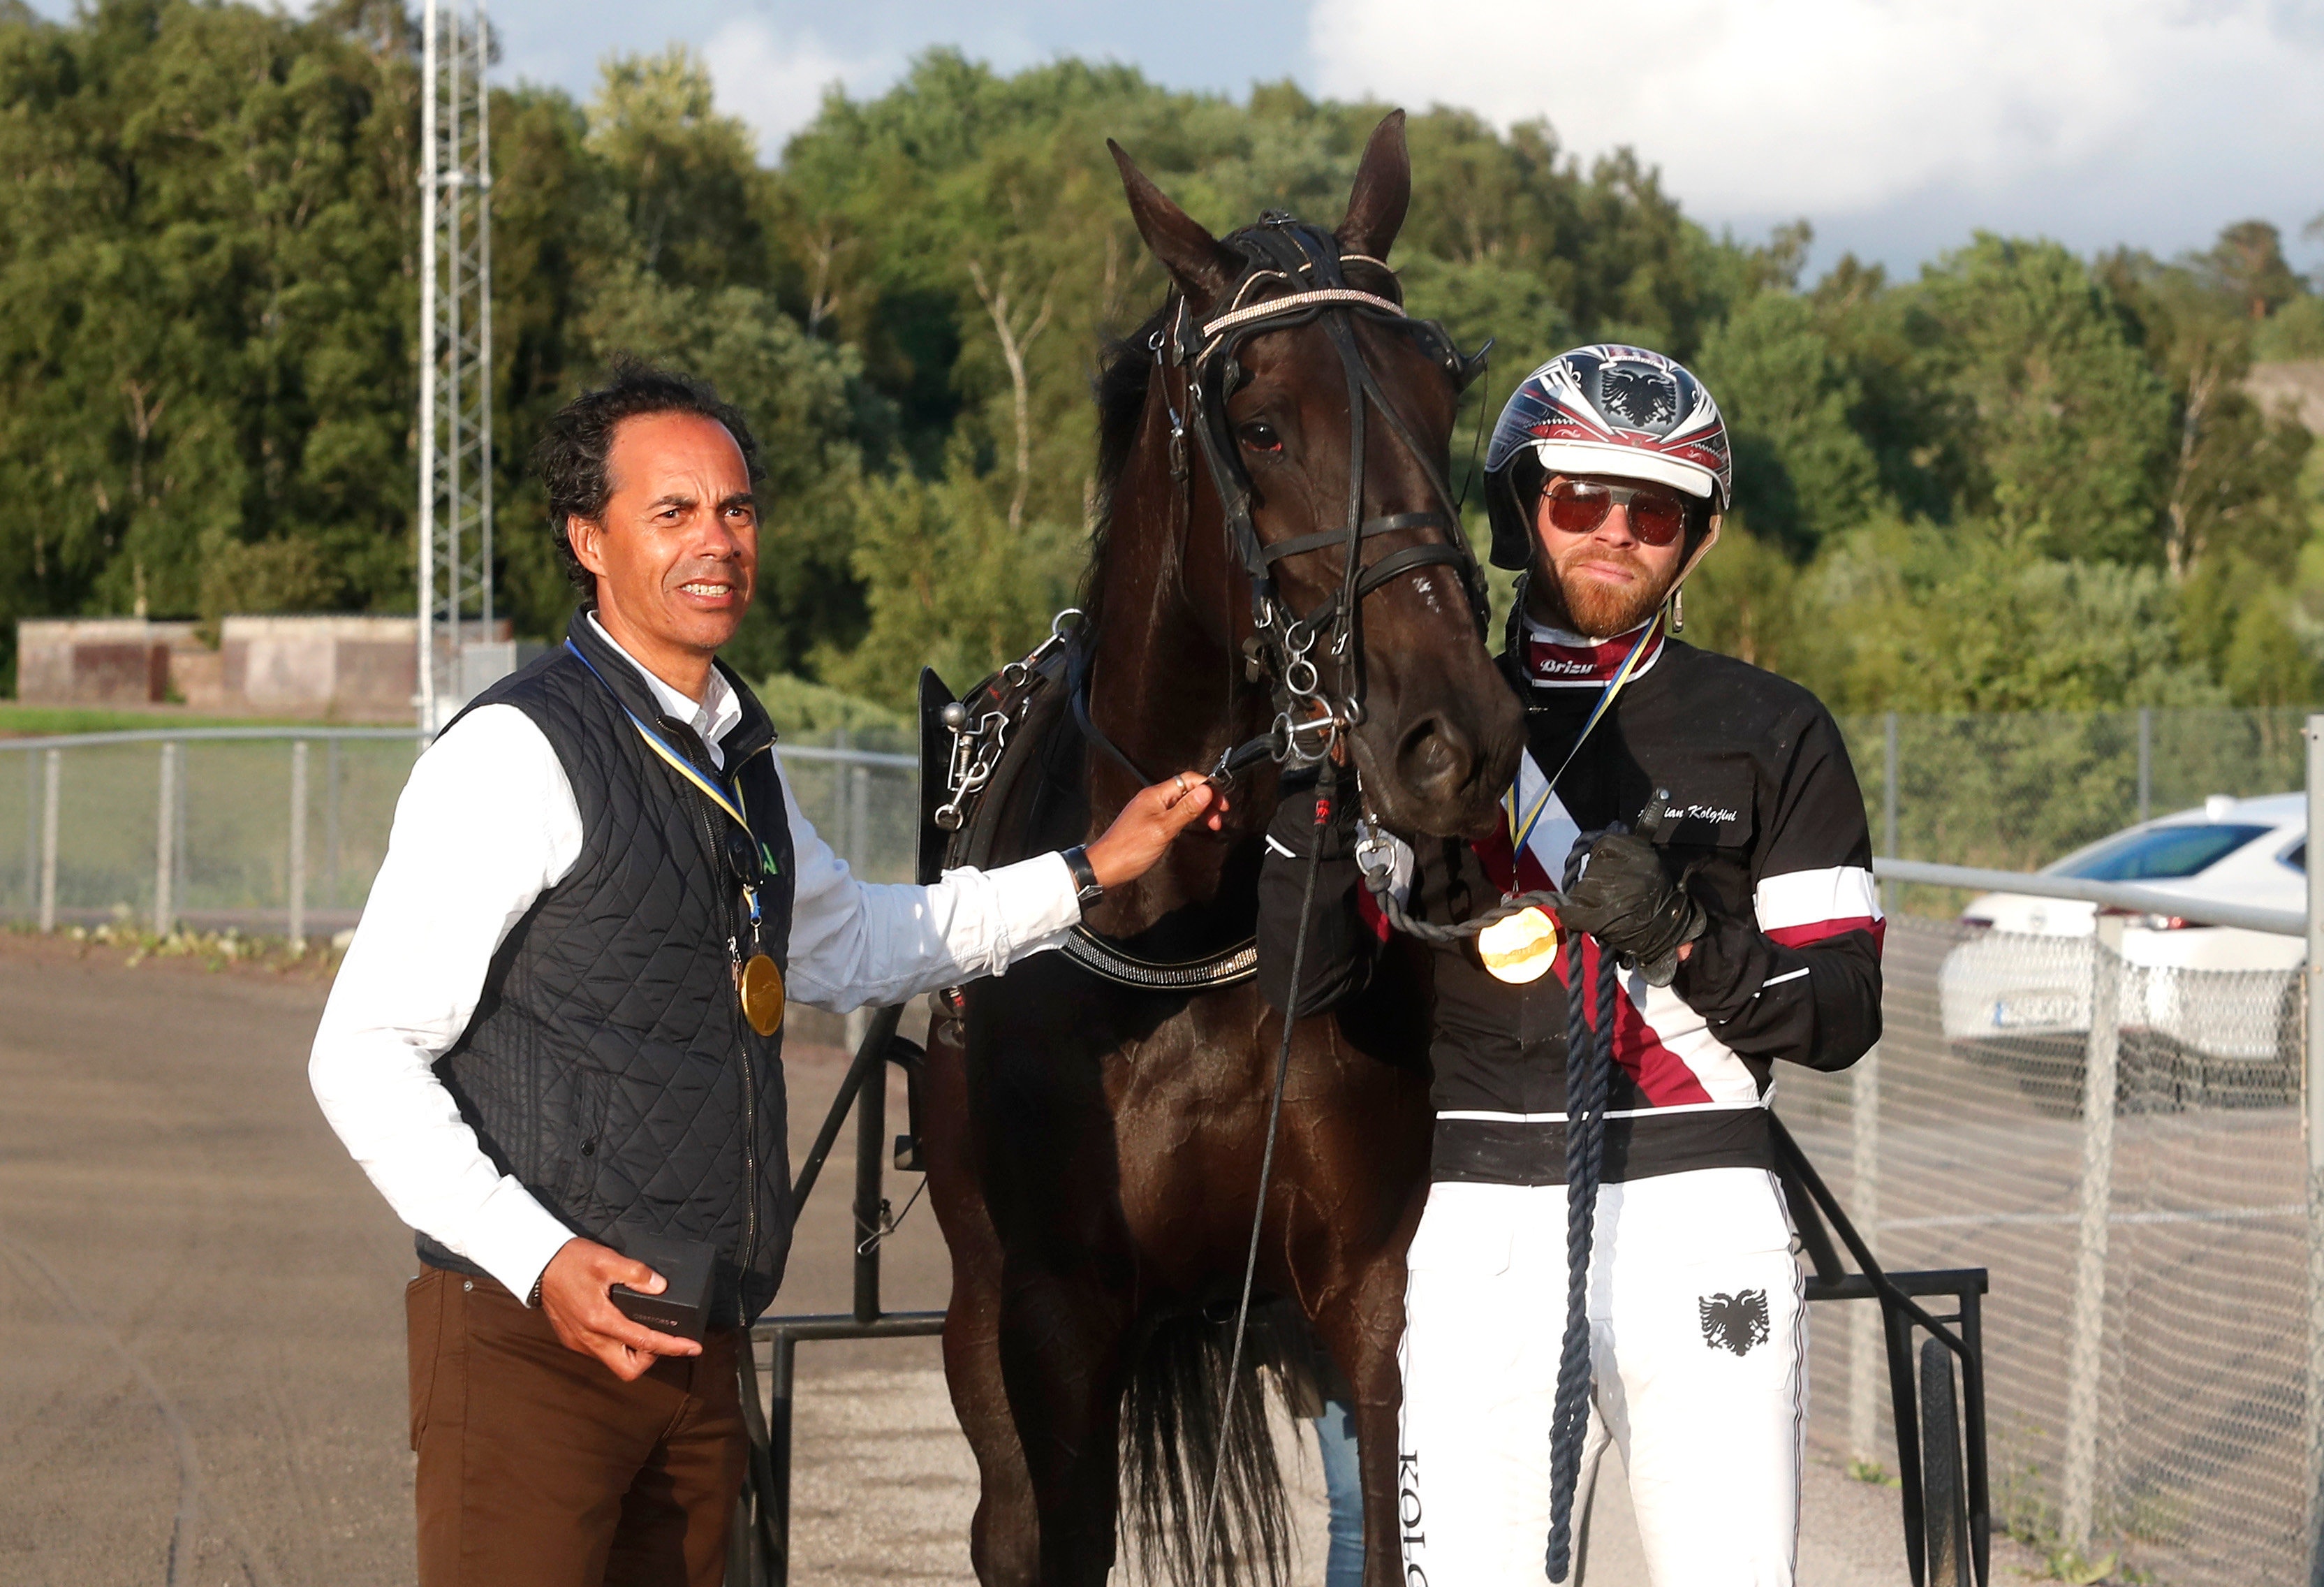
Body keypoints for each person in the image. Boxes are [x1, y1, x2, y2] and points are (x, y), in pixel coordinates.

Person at [309, 363, 1225, 1587]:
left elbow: (856, 946)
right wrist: (534, 1257)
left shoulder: (740, 757)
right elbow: (361, 1052)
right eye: (673, 512)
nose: (718, 542)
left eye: (736, 510)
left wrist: (1091, 870)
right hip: (535, 1347)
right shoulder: (515, 751)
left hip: (702, 1349)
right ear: (589, 540)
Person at [1255, 344, 1882, 1586]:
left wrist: (1686, 936)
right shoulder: (1419, 723)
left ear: (1695, 539)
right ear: (1515, 508)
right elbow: (1304, 985)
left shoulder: (1778, 729)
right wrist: (1312, 790)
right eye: (1579, 499)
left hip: (1704, 1228)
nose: (1615, 533)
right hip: (1476, 1227)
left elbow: (1843, 1010)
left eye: (1655, 510)